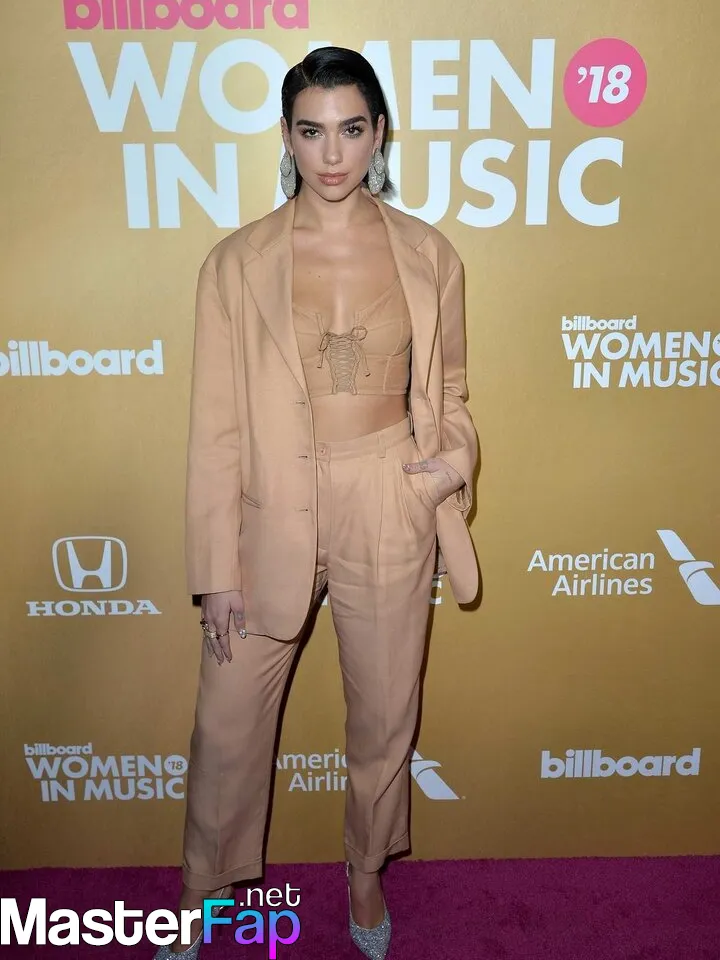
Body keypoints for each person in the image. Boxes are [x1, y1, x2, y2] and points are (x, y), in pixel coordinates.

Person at [154, 45, 478, 960]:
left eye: (350, 129)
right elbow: (214, 425)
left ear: (379, 135)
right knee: (226, 722)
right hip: (271, 504)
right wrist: (215, 569)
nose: (331, 154)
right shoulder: (235, 263)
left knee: (384, 713)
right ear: (287, 137)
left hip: (388, 491)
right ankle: (202, 883)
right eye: (311, 131)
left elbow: (452, 393)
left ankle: (366, 871)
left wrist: (444, 468)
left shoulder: (429, 254)